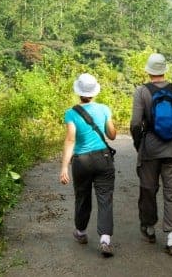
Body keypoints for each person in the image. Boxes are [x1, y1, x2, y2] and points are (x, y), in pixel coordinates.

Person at [130, 53, 172, 256]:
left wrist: (139, 143)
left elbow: (134, 124)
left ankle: (149, 229)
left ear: (148, 71)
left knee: (148, 189)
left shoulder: (141, 92)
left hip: (150, 149)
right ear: (165, 70)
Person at [60, 72, 117, 257]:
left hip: (81, 161)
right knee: (105, 198)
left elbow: (70, 140)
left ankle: (81, 232)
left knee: (82, 196)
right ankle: (105, 239)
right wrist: (108, 122)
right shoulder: (104, 109)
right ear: (94, 92)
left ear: (79, 92)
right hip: (103, 158)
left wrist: (64, 167)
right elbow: (112, 135)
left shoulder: (71, 113)